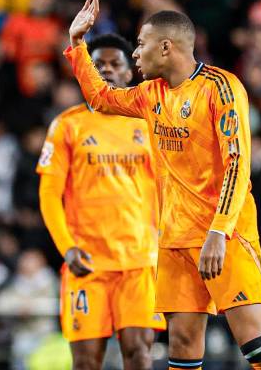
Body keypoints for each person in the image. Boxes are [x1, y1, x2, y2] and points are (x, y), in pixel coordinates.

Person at [65, 0, 261, 370]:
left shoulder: (220, 88)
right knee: (183, 347)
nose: (134, 54)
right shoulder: (150, 95)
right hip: (174, 240)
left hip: (225, 235)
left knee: (255, 344)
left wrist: (218, 231)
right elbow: (101, 98)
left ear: (166, 47)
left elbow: (238, 164)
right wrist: (77, 44)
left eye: (141, 44)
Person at [37, 32, 163, 370]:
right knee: (86, 361)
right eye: (98, 65)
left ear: (130, 72)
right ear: (85, 72)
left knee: (139, 353)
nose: (106, 70)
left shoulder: (149, 124)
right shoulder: (67, 125)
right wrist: (67, 247)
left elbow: (166, 189)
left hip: (139, 260)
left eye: (114, 64)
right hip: (87, 261)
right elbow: (49, 194)